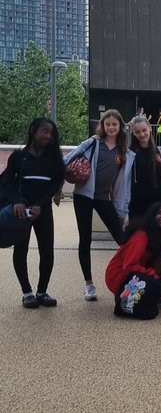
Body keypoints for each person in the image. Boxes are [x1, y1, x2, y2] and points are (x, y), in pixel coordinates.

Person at [67, 110, 133, 302]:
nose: (111, 127)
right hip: (83, 196)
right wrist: (56, 188)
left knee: (121, 238)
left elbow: (121, 183)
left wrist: (123, 209)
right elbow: (67, 159)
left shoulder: (123, 151)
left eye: (114, 124)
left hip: (104, 198)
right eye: (108, 124)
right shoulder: (93, 143)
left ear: (120, 126)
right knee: (85, 238)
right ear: (102, 126)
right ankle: (89, 284)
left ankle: (130, 278)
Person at [0, 117, 65, 308]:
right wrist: (17, 202)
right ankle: (27, 293)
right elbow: (6, 182)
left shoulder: (53, 158)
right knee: (21, 250)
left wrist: (40, 205)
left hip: (42, 210)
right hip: (22, 211)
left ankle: (42, 292)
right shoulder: (18, 156)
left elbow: (54, 184)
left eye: (51, 133)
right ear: (33, 131)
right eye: (44, 131)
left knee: (47, 251)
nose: (48, 136)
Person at [105, 202, 161, 317]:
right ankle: (131, 294)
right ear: (152, 215)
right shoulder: (141, 235)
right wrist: (155, 277)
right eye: (160, 213)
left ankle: (151, 294)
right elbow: (129, 266)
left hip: (138, 271)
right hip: (119, 275)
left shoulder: (159, 233)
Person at [128, 114, 161, 221]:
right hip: (137, 207)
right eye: (138, 132)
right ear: (134, 133)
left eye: (144, 130)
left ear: (150, 128)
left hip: (158, 204)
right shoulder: (130, 154)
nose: (142, 134)